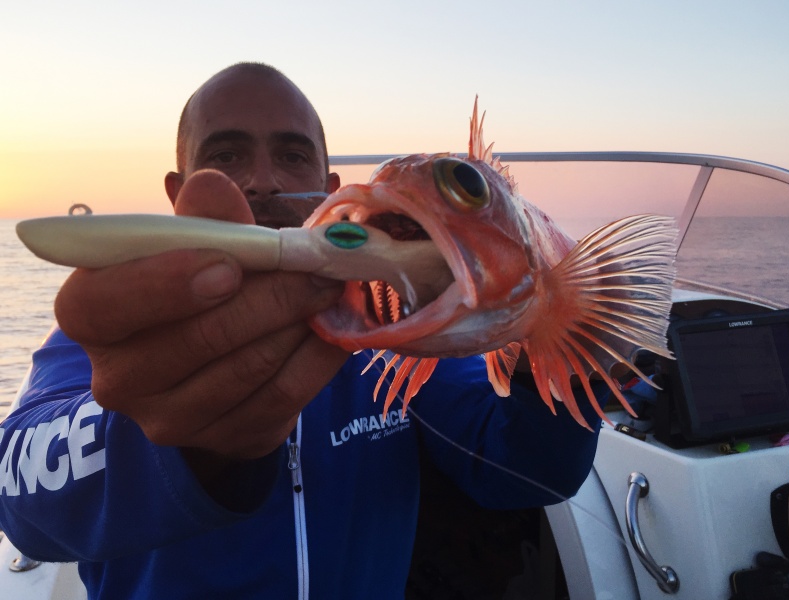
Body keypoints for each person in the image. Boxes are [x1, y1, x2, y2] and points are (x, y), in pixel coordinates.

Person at [0, 63, 605, 599]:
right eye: (226, 156)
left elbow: (526, 465)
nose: (262, 181)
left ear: (332, 191)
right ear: (179, 195)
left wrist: (557, 346)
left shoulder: (395, 330)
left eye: (291, 155)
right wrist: (182, 445)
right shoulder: (123, 333)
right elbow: (20, 496)